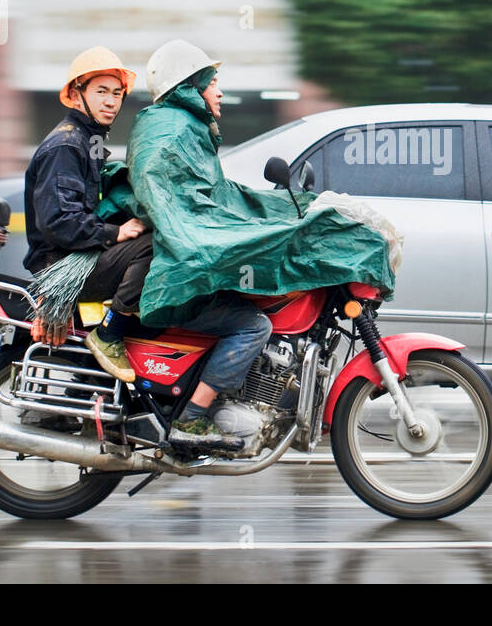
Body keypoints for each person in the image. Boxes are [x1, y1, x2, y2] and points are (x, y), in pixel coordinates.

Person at [124, 39, 395, 441]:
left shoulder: (181, 130)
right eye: (212, 83)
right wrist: (272, 234)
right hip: (181, 284)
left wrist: (287, 213)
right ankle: (192, 419)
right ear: (188, 86)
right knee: (253, 326)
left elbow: (218, 200)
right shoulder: (175, 132)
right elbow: (189, 217)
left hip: (186, 273)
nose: (219, 92)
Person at [23, 47, 148, 384]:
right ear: (77, 94)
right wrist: (114, 233)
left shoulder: (89, 140)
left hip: (80, 254)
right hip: (60, 263)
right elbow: (59, 221)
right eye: (101, 92)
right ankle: (110, 335)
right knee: (150, 246)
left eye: (117, 93)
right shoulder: (66, 145)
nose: (111, 101)